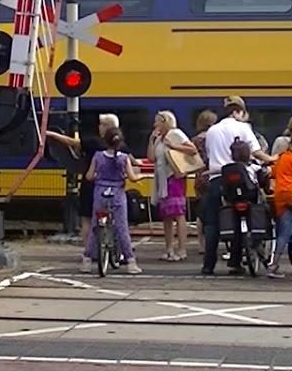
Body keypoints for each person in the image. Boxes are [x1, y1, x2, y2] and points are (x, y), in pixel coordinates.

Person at [201, 96, 276, 276]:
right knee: (241, 217)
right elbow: (256, 152)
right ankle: (235, 263)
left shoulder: (212, 130)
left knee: (212, 223)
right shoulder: (243, 128)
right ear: (237, 112)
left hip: (217, 179)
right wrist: (273, 159)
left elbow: (210, 156)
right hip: (240, 179)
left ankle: (208, 265)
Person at [47, 113, 126, 238]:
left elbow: (71, 142)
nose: (99, 127)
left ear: (106, 126)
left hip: (92, 186)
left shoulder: (94, 143)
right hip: (115, 188)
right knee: (117, 219)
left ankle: (89, 252)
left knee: (87, 219)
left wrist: (50, 134)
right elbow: (132, 163)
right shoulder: (121, 146)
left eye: (101, 124)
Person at [81, 128, 147, 274]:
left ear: (105, 141)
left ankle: (86, 261)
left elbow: (89, 176)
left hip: (100, 194)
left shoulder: (98, 156)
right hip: (117, 194)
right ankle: (131, 262)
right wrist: (140, 177)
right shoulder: (124, 158)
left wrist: (99, 176)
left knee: (94, 226)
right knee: (122, 227)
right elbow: (132, 178)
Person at [150, 110, 197, 262]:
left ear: (165, 122)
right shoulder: (159, 138)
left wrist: (174, 146)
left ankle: (182, 249)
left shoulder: (176, 134)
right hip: (161, 179)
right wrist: (151, 140)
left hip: (174, 178)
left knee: (178, 213)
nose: (154, 124)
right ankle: (168, 248)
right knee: (166, 215)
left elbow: (192, 149)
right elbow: (151, 158)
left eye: (157, 121)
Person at [191, 110, 218, 256]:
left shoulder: (195, 140)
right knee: (215, 209)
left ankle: (201, 244)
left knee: (200, 212)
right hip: (214, 174)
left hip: (200, 176)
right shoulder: (215, 138)